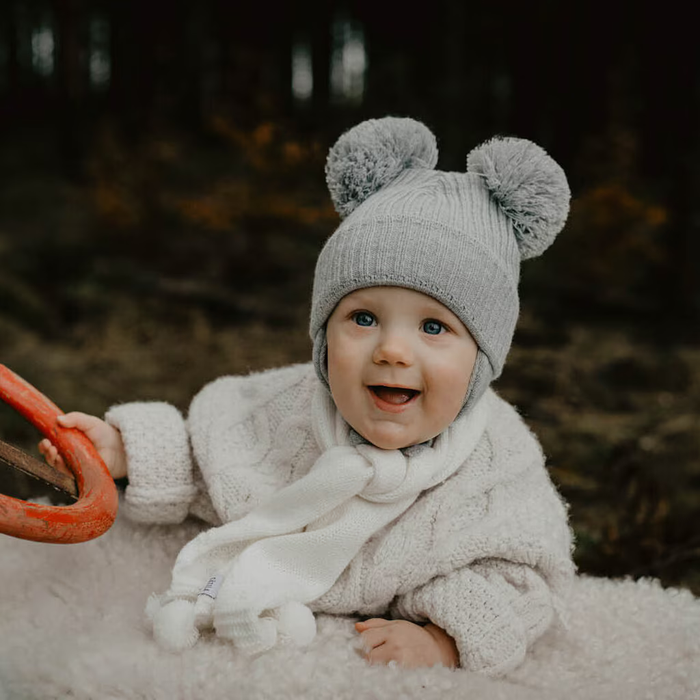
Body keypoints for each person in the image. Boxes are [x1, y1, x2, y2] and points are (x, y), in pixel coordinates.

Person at [39, 117, 575, 676]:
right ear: (323, 340)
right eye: (362, 318)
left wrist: (443, 639)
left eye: (434, 328)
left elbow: (521, 574)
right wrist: (124, 451)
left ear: (482, 360)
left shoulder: (497, 461)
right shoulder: (289, 406)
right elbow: (212, 450)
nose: (392, 350)